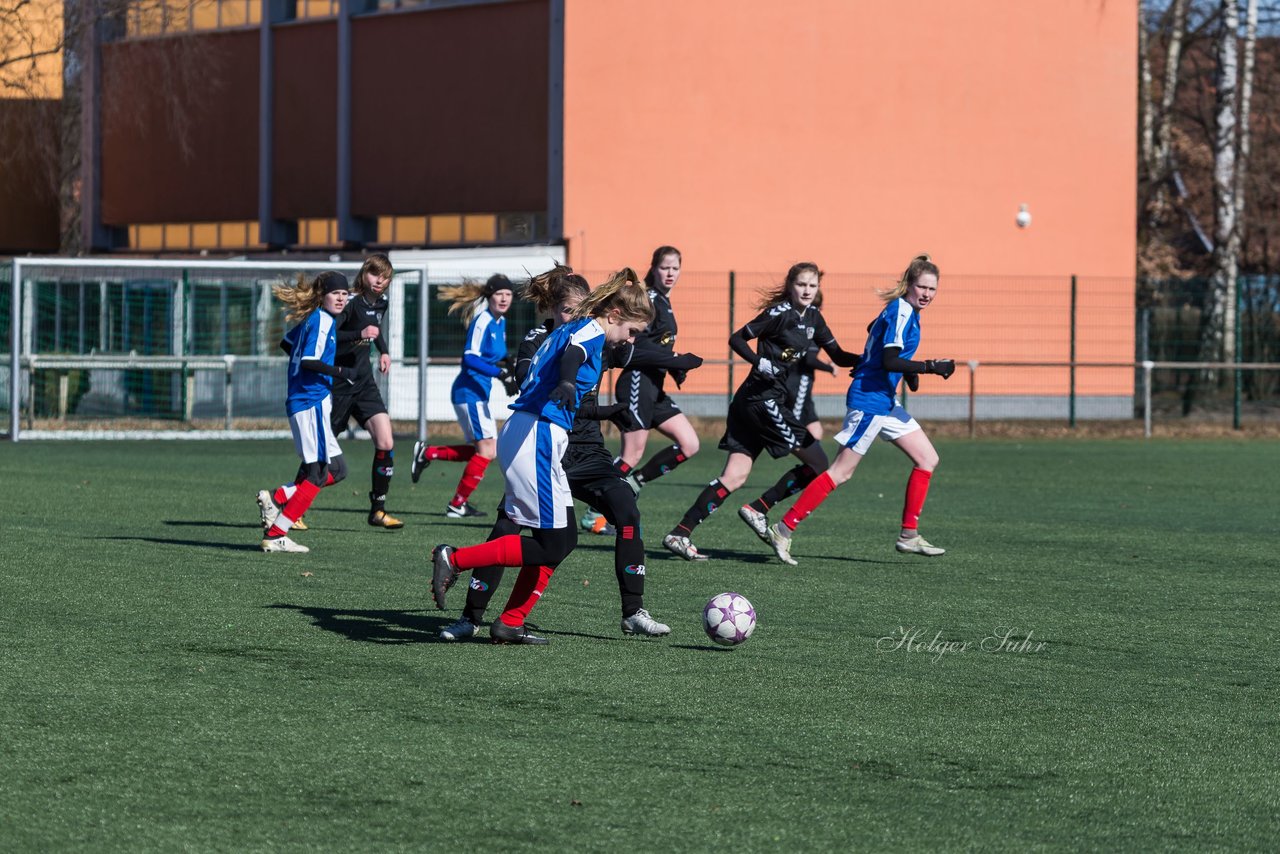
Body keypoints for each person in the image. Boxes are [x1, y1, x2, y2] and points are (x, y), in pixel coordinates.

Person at [439, 266, 669, 641]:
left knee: (561, 540)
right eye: (630, 331)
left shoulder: (569, 329)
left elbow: (579, 358)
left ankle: (511, 621)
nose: (629, 340)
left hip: (540, 434)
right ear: (613, 315)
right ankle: (456, 562)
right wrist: (565, 380)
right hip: (539, 433)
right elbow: (573, 358)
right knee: (548, 540)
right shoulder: (588, 331)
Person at [764, 254, 956, 565]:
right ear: (909, 285)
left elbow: (875, 331)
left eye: (932, 289)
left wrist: (905, 371)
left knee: (927, 458)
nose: (927, 294)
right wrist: (929, 367)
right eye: (922, 287)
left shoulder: (902, 311)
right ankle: (783, 529)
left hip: (884, 401)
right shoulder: (903, 311)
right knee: (841, 472)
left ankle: (909, 535)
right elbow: (890, 358)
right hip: (869, 401)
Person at [662, 262, 859, 560]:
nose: (807, 290)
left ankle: (680, 533)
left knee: (735, 476)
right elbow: (737, 338)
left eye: (812, 285)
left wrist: (872, 359)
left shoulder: (815, 318)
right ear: (790, 284)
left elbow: (840, 356)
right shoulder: (778, 314)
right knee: (819, 464)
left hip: (754, 403)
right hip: (763, 401)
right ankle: (760, 508)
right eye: (802, 284)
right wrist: (758, 362)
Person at [255, 271, 356, 553]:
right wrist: (340, 372)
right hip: (309, 402)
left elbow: (287, 343)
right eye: (335, 293)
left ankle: (278, 497)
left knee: (338, 469)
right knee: (317, 472)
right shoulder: (322, 321)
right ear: (322, 295)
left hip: (311, 401)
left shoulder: (315, 320)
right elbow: (310, 360)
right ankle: (277, 534)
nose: (340, 297)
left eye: (344, 293)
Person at [409, 274, 517, 518]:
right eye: (499, 293)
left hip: (478, 394)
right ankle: (457, 505)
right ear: (489, 296)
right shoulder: (483, 321)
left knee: (486, 450)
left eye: (508, 294)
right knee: (487, 450)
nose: (504, 298)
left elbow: (496, 355)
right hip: (468, 393)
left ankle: (429, 454)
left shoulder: (500, 322)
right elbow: (469, 357)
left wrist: (509, 369)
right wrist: (501, 374)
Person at [612, 246, 705, 492]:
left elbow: (657, 346)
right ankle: (595, 510)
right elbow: (635, 346)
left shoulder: (664, 301)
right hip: (636, 382)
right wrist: (675, 359)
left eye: (675, 268)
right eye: (665, 267)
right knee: (631, 455)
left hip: (654, 387)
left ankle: (634, 483)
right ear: (654, 268)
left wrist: (673, 367)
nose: (670, 273)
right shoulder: (649, 299)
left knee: (690, 444)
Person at [330, 253, 403, 529]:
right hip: (340, 384)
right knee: (323, 449)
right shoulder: (350, 302)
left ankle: (378, 510)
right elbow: (332, 336)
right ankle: (295, 505)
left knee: (386, 441)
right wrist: (360, 334)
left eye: (385, 277)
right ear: (365, 273)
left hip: (365, 384)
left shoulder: (381, 303)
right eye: (375, 275)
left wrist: (384, 351)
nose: (380, 281)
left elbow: (376, 329)